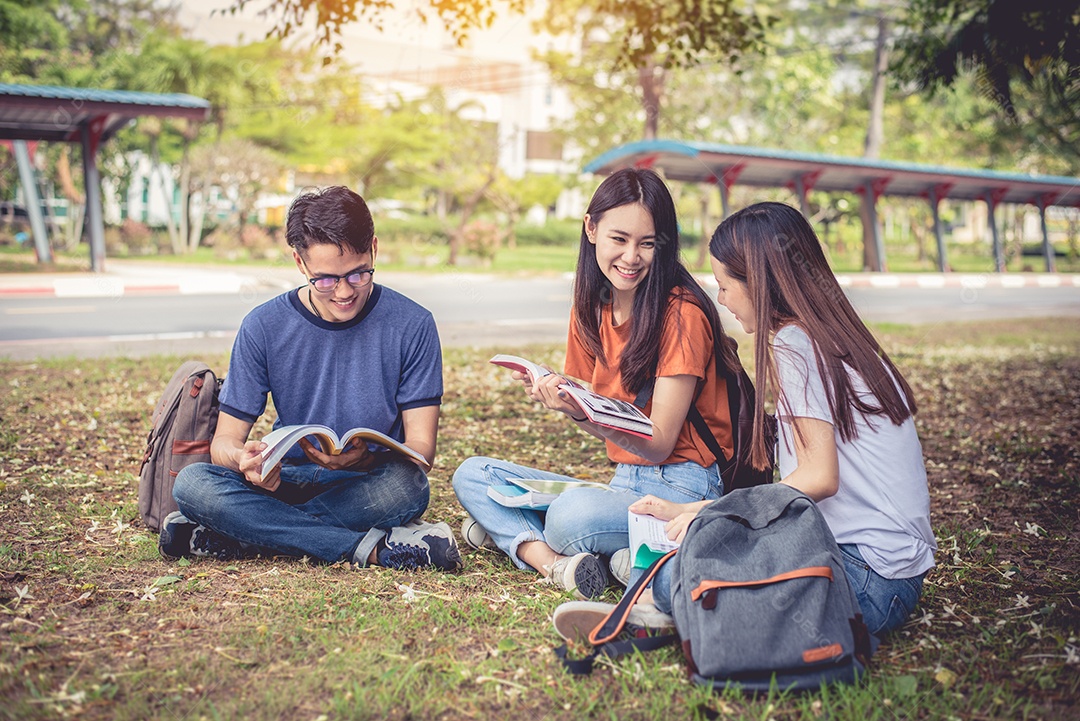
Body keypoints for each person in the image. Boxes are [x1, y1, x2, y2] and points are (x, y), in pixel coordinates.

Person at [617, 201, 937, 637]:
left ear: (760, 283)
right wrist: (703, 510)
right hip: (887, 573)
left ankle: (674, 603)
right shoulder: (831, 335)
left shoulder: (795, 343)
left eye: (725, 286)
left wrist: (714, 511)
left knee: (676, 574)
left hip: (867, 580)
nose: (722, 299)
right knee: (701, 550)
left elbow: (820, 478)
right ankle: (680, 598)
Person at [453, 167, 744, 600]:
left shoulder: (682, 314)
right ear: (591, 228)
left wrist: (584, 411)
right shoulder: (591, 306)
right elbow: (604, 418)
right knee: (474, 475)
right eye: (619, 239)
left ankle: (524, 538)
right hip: (624, 480)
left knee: (570, 519)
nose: (631, 257)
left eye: (647, 244)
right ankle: (563, 562)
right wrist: (570, 405)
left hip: (683, 483)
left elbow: (659, 443)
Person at [158, 186, 461, 572]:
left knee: (408, 487)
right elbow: (224, 445)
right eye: (326, 280)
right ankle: (368, 549)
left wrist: (365, 457)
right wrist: (244, 460)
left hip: (363, 483)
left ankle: (239, 533)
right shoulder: (263, 326)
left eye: (358, 273)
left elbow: (423, 450)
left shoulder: (412, 324)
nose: (344, 291)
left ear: (374, 248)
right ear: (300, 263)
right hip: (283, 480)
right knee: (193, 484)